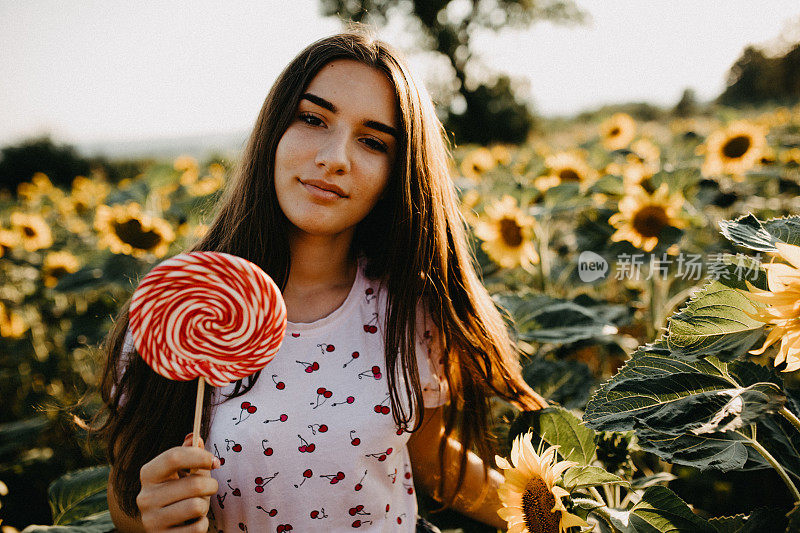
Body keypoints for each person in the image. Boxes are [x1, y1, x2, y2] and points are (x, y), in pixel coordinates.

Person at [98, 28, 547, 532]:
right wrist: (152, 518)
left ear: (398, 171)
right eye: (312, 119)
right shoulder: (180, 307)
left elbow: (436, 465)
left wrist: (555, 518)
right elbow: (125, 498)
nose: (335, 157)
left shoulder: (407, 311)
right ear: (274, 131)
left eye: (373, 141)